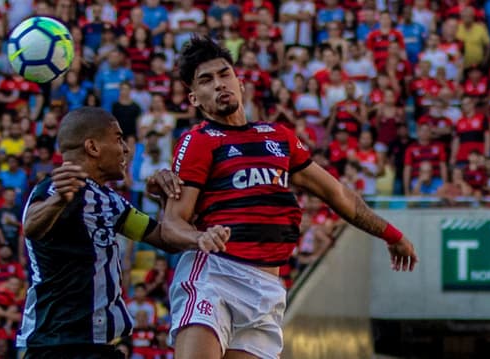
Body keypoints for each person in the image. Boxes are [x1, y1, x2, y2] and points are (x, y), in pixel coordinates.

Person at [162, 36, 418, 359]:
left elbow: (336, 193)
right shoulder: (198, 141)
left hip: (267, 288)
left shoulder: (279, 137)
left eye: (224, 74)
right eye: (206, 80)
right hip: (216, 275)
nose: (219, 85)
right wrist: (200, 238)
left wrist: (391, 234)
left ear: (239, 82)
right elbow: (171, 223)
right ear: (194, 97)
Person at [16, 107, 226, 358]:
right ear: (93, 147)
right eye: (118, 139)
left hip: (98, 346)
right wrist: (59, 200)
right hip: (56, 344)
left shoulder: (111, 201)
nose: (126, 149)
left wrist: (164, 201)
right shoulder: (53, 188)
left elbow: (164, 239)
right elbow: (32, 227)